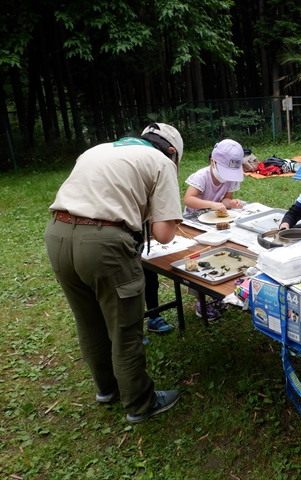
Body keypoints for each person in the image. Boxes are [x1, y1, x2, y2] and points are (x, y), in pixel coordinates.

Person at [44, 122, 184, 423]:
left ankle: (106, 389)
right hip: (104, 244)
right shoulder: (162, 163)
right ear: (172, 152)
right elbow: (162, 234)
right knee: (124, 329)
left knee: (88, 320)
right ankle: (140, 403)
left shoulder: (99, 149)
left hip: (56, 234)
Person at [183, 139, 244, 319]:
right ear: (213, 162)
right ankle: (201, 301)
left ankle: (216, 295)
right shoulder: (201, 176)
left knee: (221, 254)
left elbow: (226, 199)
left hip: (215, 223)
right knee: (199, 256)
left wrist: (230, 203)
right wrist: (212, 204)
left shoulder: (230, 179)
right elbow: (189, 199)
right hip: (194, 223)